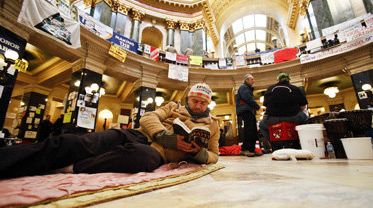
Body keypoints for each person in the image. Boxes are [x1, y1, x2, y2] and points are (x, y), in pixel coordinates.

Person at [0, 83, 219, 179]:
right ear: (188, 98)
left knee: (138, 157)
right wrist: (165, 136)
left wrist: (196, 153)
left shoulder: (213, 124)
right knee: (74, 142)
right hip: (143, 135)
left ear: (207, 104)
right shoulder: (172, 106)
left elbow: (214, 155)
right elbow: (148, 117)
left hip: (159, 153)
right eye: (194, 100)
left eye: (202, 103)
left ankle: (71, 167)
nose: (198, 105)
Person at [259, 73, 309, 142]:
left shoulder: (270, 89)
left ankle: (274, 143)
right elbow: (303, 107)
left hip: (272, 119)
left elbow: (267, 105)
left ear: (278, 80)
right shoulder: (295, 88)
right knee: (307, 121)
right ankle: (301, 141)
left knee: (261, 126)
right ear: (288, 80)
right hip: (293, 118)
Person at [235, 74, 262, 157]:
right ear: (247, 80)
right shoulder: (244, 87)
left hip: (248, 110)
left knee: (253, 130)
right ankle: (245, 149)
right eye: (252, 79)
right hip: (245, 110)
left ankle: (251, 149)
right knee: (249, 130)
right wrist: (257, 106)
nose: (253, 80)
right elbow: (247, 98)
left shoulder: (247, 88)